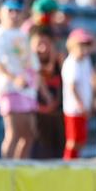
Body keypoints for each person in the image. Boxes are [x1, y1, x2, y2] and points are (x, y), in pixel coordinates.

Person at [0, 0, 39, 159]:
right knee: (13, 132)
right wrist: (14, 79)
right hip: (8, 89)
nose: (14, 15)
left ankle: (19, 167)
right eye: (10, 10)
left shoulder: (23, 35)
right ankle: (6, 168)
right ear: (0, 12)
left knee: (29, 134)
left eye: (17, 10)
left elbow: (32, 63)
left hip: (27, 90)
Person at [61, 28, 96, 159]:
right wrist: (81, 105)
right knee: (73, 140)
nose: (85, 49)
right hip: (74, 109)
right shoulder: (71, 63)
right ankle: (68, 162)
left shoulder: (85, 61)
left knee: (81, 140)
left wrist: (91, 101)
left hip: (82, 107)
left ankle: (75, 161)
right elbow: (72, 87)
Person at [30, 26, 64, 159]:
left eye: (46, 44)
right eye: (38, 44)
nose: (43, 49)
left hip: (56, 124)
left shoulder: (60, 64)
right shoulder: (25, 67)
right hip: (36, 124)